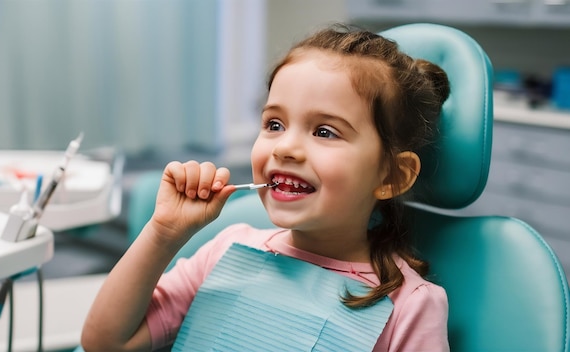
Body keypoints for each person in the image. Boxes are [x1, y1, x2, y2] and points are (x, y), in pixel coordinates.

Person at [81, 23, 450, 352]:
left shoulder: (410, 305)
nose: (284, 147)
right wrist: (163, 234)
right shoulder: (227, 248)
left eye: (324, 131)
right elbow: (105, 342)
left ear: (392, 176)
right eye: (274, 124)